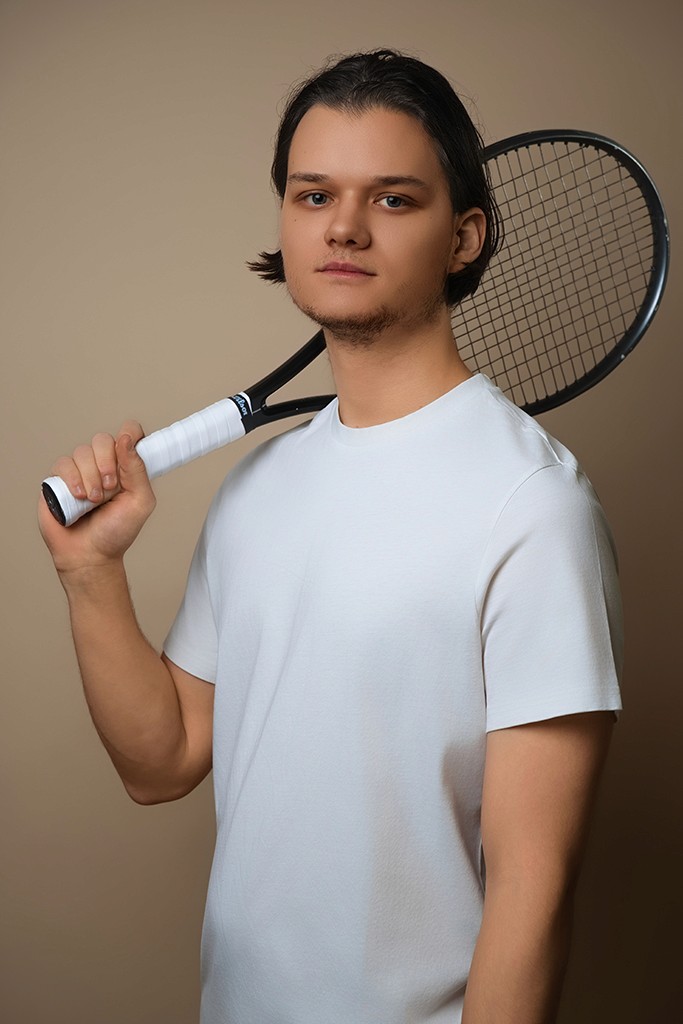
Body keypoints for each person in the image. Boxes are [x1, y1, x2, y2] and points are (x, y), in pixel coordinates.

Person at [39, 49, 622, 1024]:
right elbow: (163, 760)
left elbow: (534, 887)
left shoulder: (531, 504)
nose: (343, 227)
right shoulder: (259, 486)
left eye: (392, 200)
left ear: (463, 236)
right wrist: (91, 572)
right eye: (313, 195)